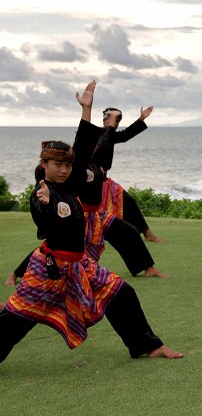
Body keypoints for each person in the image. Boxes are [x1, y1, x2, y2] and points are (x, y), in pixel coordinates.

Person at [0, 81, 182, 363]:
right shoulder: (42, 193)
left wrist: (87, 109)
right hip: (50, 271)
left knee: (121, 292)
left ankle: (147, 345)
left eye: (66, 165)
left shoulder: (69, 185)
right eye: (56, 165)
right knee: (16, 320)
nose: (63, 169)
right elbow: (46, 221)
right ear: (44, 165)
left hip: (79, 264)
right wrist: (47, 205)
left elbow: (82, 149)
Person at [94, 106, 163, 243]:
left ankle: (147, 234)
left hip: (104, 181)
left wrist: (141, 119)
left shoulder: (110, 134)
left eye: (118, 121)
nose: (116, 123)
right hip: (90, 183)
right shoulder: (93, 134)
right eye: (114, 119)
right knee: (91, 213)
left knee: (129, 202)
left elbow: (125, 135)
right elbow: (102, 145)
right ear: (105, 119)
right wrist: (111, 127)